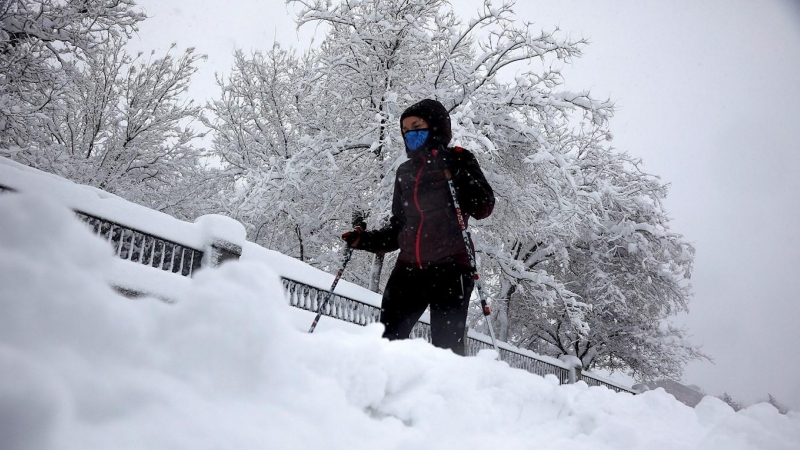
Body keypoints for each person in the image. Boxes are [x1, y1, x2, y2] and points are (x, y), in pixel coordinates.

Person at [341, 99, 495, 356]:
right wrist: (363, 240)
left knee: (446, 349)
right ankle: (385, 391)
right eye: (405, 130)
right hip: (409, 269)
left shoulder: (460, 158)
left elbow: (484, 207)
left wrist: (458, 174)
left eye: (417, 126)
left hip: (452, 268)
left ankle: (446, 395)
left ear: (435, 126)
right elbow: (398, 230)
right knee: (386, 340)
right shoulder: (405, 172)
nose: (410, 133)